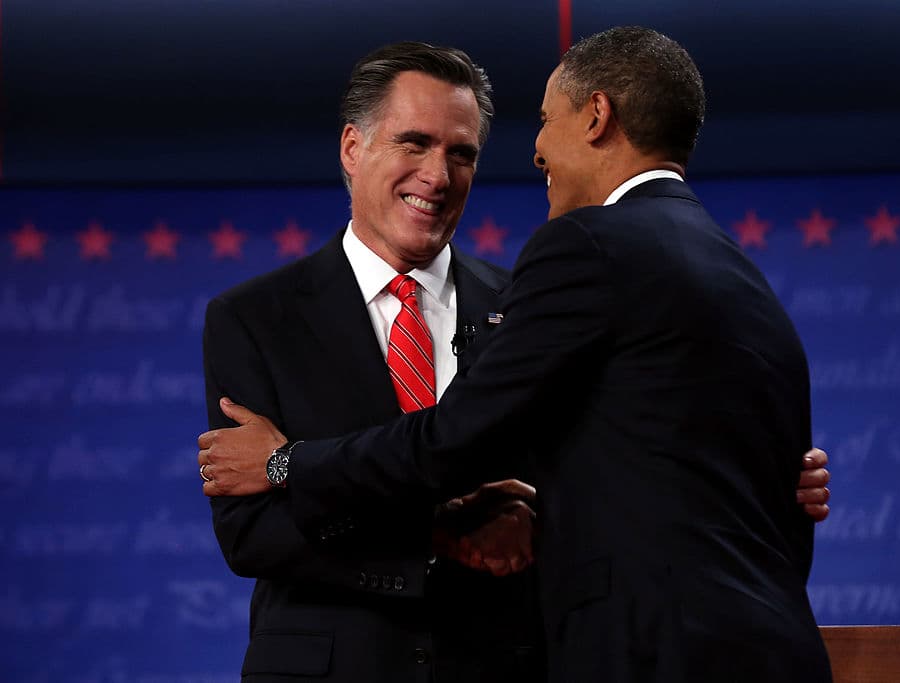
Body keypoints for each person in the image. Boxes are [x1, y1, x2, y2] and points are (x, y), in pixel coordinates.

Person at [200, 33, 833, 682]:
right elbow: (250, 529)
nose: (439, 175)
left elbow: (484, 445)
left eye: (463, 153)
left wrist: (284, 461)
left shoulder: (539, 292)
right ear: (353, 148)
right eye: (414, 142)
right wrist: (439, 538)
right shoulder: (252, 317)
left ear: (595, 116)